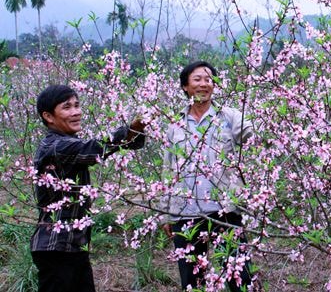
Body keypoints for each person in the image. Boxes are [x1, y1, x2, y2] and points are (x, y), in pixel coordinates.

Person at [31, 84, 146, 292]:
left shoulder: (67, 143)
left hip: (73, 245)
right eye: (67, 107)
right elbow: (95, 149)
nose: (76, 112)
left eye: (77, 105)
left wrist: (135, 133)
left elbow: (106, 147)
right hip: (56, 247)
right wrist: (132, 129)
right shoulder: (55, 146)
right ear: (48, 116)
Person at [161, 61, 255, 291]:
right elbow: (168, 169)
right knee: (192, 282)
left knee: (239, 277)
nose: (204, 84)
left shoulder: (230, 116)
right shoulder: (175, 125)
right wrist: (166, 212)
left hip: (225, 210)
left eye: (209, 79)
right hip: (186, 213)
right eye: (197, 79)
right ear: (185, 86)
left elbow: (252, 137)